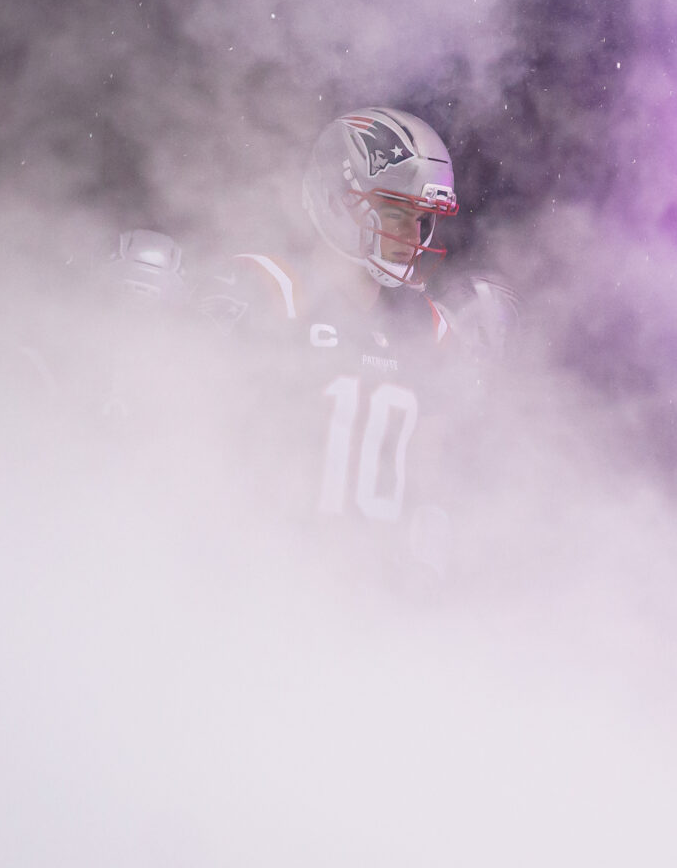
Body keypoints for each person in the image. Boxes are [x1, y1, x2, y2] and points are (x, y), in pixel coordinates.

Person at [195, 106, 518, 574]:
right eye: (394, 211)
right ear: (335, 201)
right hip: (261, 582)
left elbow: (439, 474)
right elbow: (192, 437)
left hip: (373, 603)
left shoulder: (430, 330)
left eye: (422, 217)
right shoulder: (270, 291)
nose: (413, 235)